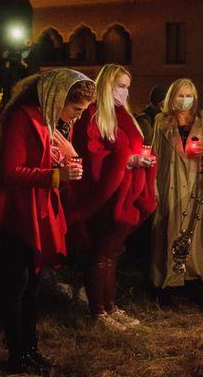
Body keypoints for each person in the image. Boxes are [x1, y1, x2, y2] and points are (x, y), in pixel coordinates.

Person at [0, 69, 95, 374]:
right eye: (76, 109)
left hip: (39, 207)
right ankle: (18, 353)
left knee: (31, 284)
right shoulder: (24, 118)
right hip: (18, 212)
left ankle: (30, 350)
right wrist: (57, 175)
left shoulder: (50, 122)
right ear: (56, 98)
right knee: (18, 284)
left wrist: (61, 167)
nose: (79, 116)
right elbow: (10, 171)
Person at [66, 64, 156, 330]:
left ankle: (110, 307)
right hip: (105, 198)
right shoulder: (92, 115)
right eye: (120, 86)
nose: (125, 92)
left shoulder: (123, 115)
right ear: (107, 86)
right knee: (100, 254)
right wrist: (125, 160)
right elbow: (91, 155)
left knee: (111, 254)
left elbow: (132, 147)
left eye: (127, 87)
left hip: (125, 194)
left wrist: (142, 160)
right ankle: (99, 312)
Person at [149, 78, 203, 299]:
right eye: (181, 95)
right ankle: (170, 281)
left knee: (197, 232)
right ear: (172, 97)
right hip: (170, 180)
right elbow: (154, 153)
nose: (185, 100)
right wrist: (153, 185)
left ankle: (197, 279)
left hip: (198, 180)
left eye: (189, 96)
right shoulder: (162, 122)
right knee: (171, 228)